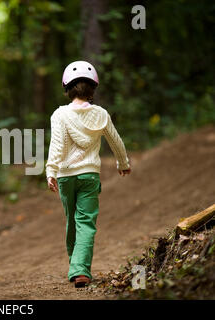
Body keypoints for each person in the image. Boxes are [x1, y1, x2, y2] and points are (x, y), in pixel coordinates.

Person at [45, 61, 131, 288]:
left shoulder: (60, 114)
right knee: (85, 222)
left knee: (72, 221)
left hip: (65, 176)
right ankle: (79, 267)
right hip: (89, 176)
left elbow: (57, 146)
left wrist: (51, 171)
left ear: (67, 88)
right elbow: (116, 141)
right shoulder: (100, 114)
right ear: (93, 88)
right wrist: (123, 162)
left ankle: (77, 266)